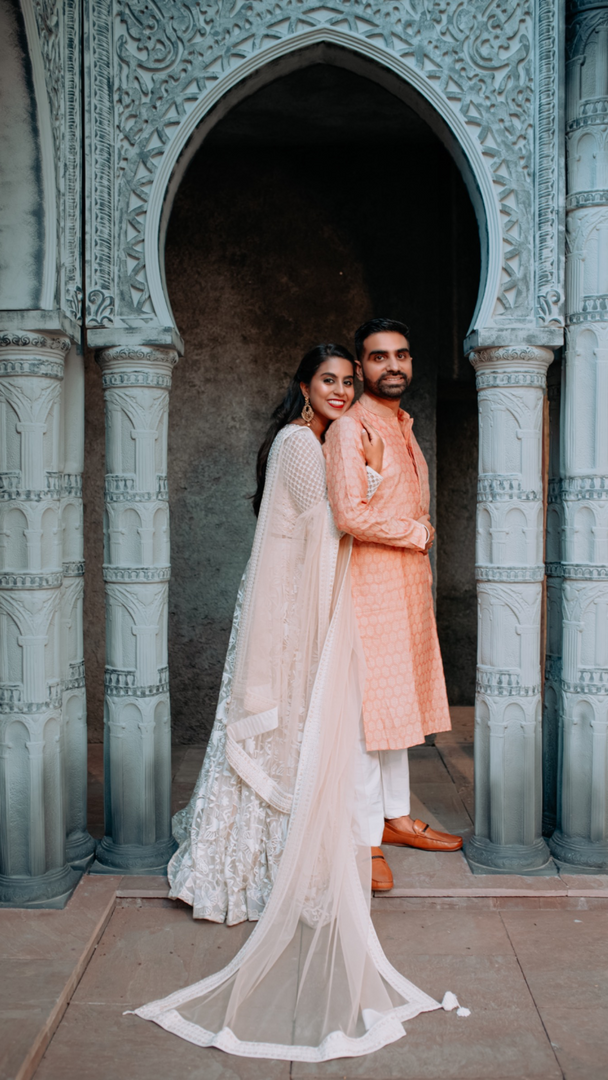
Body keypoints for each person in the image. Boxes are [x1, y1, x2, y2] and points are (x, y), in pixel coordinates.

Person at [130, 343, 455, 1059]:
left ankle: (264, 857)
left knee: (293, 732)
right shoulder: (301, 446)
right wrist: (380, 496)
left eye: (347, 381)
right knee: (284, 730)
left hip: (293, 605)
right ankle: (248, 869)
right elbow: (330, 530)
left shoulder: (305, 440)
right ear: (304, 387)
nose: (341, 391)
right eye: (330, 380)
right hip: (291, 613)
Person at [324, 318, 463, 894]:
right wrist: (418, 533)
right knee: (365, 718)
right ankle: (365, 839)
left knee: (396, 711)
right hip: (367, 590)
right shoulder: (349, 431)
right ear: (361, 368)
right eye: (380, 357)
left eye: (402, 355)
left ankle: (396, 818)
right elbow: (349, 514)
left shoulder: (401, 424)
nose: (394, 366)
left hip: (405, 590)